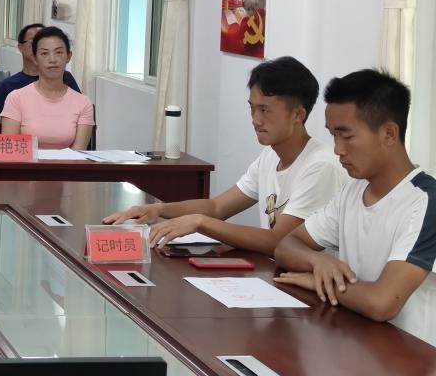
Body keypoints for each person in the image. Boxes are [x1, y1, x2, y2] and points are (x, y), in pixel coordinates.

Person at [103, 56, 347, 256]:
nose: (255, 119)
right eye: (252, 108)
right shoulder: (270, 156)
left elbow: (278, 241)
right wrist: (158, 209)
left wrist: (200, 222)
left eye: (265, 110)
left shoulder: (321, 166)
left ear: (298, 115)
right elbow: (217, 207)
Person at [274, 69, 435, 344]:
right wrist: (318, 261)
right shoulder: (353, 190)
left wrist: (321, 282)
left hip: (411, 354)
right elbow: (285, 246)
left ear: (389, 134)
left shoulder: (425, 201)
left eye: (346, 137)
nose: (338, 149)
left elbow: (382, 303)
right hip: (357, 340)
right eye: (333, 136)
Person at [0, 27, 93, 150]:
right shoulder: (15, 98)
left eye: (59, 52)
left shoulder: (83, 103)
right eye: (44, 53)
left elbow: (78, 154)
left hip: (68, 163)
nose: (52, 59)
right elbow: (10, 150)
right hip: (25, 163)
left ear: (68, 56)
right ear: (35, 58)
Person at [0, 22, 82, 113]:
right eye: (34, 41)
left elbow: (79, 109)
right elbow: (0, 119)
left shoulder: (65, 77)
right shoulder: (9, 85)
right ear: (20, 47)